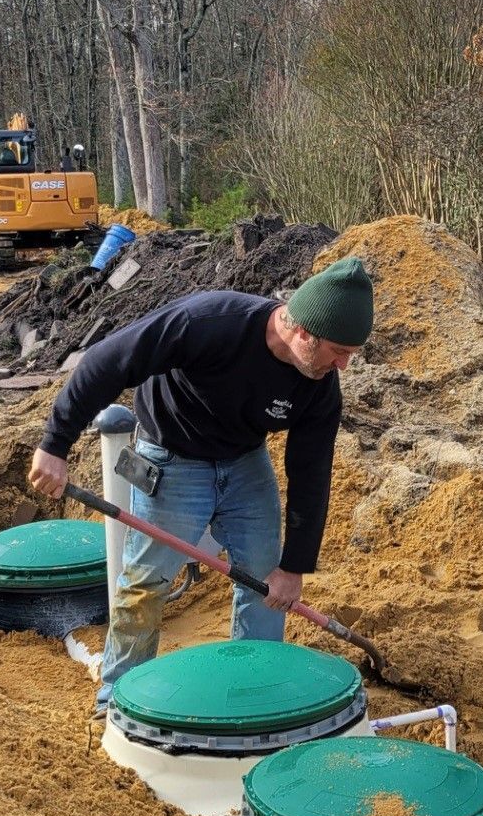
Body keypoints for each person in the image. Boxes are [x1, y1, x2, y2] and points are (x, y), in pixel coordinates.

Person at [28, 257, 375, 716]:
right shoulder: (210, 323)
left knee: (265, 582)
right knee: (146, 584)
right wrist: (55, 445)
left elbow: (311, 472)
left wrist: (294, 567)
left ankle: (254, 696)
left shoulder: (321, 384)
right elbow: (106, 361)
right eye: (339, 350)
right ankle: (116, 701)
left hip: (244, 461)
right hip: (171, 457)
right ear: (303, 332)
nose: (344, 365)